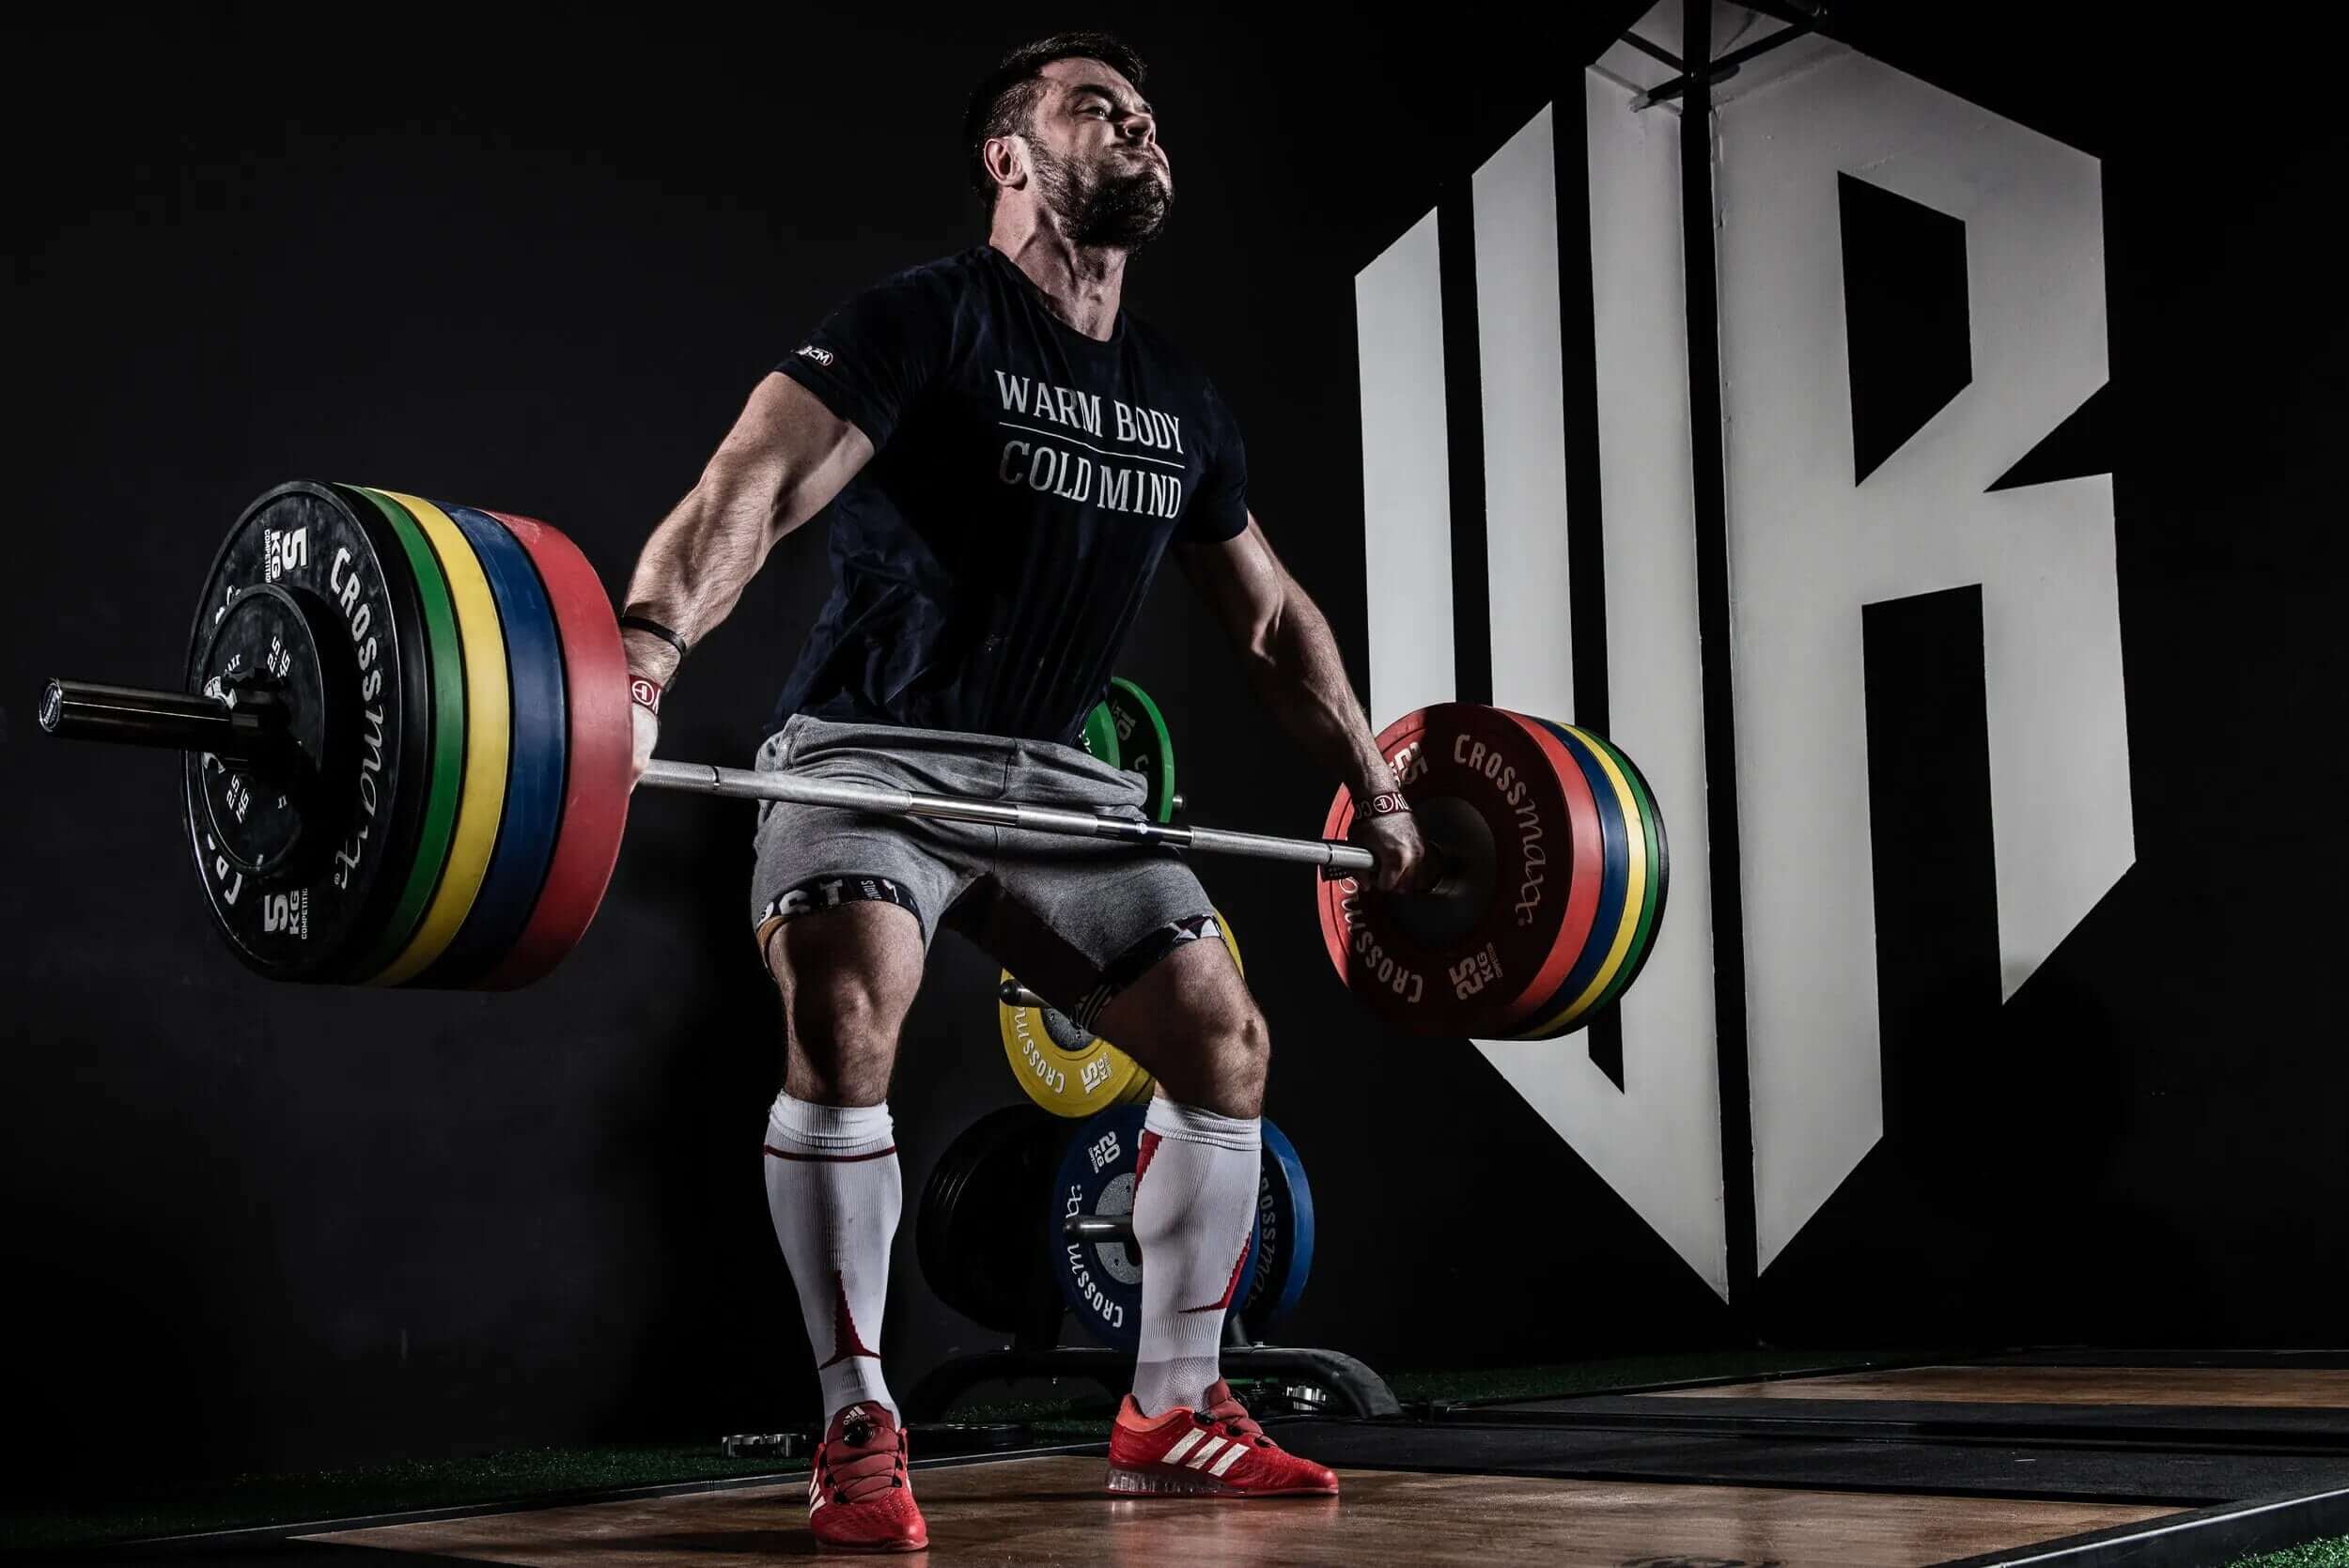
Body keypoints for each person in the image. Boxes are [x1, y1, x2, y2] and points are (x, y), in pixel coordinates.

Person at [615, 31, 1428, 1552]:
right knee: (849, 1005)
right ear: (1010, 155)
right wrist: (647, 655)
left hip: (1057, 778)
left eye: (1149, 112)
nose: (1139, 125)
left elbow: (1267, 623)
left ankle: (1173, 1399)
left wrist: (1375, 784)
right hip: (868, 753)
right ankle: (858, 1413)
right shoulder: (923, 323)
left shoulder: (1180, 399)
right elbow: (759, 485)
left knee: (1222, 1035)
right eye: (1096, 109)